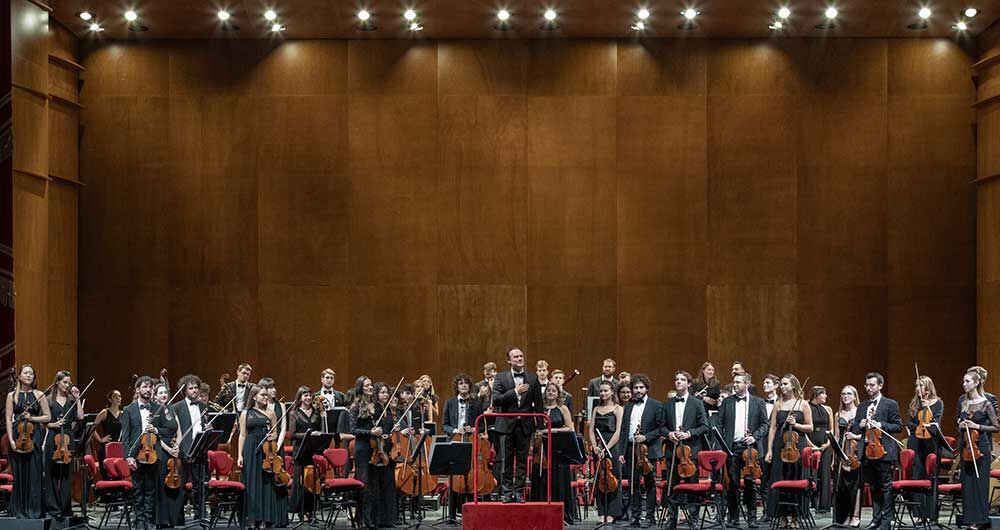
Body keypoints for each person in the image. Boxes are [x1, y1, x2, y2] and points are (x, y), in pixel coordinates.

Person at [849, 372, 902, 530]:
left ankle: (886, 522)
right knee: (873, 487)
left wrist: (880, 424)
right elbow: (856, 426)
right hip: (867, 451)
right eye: (867, 385)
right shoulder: (862, 406)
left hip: (883, 451)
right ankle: (875, 519)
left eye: (872, 385)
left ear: (880, 386)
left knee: (885, 487)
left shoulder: (890, 404)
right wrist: (862, 424)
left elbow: (897, 426)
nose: (868, 388)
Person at [492, 347, 544, 503]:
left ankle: (520, 492)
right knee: (506, 460)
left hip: (525, 425)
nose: (520, 359)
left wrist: (540, 428)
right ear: (509, 360)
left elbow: (539, 405)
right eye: (516, 357)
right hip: (506, 425)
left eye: (521, 356)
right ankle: (507, 492)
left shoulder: (533, 378)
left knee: (522, 460)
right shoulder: (500, 377)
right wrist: (515, 391)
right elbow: (496, 400)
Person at [718, 373, 768, 528]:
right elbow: (719, 424)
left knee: (750, 483)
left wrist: (754, 437)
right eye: (734, 382)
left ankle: (752, 517)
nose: (735, 384)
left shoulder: (758, 402)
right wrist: (723, 444)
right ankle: (733, 518)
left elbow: (765, 424)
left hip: (750, 449)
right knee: (732, 484)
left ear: (747, 383)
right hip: (731, 448)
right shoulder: (727, 402)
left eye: (739, 382)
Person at [764, 374, 813, 528]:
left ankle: (796, 518)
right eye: (782, 384)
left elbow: (810, 427)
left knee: (796, 479)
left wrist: (796, 424)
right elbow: (772, 428)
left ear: (793, 386)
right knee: (781, 479)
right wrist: (769, 450)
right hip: (780, 445)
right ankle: (783, 516)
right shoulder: (778, 404)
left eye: (785, 384)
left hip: (798, 446)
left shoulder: (803, 404)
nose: (782, 387)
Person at [662, 370, 710, 529]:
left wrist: (688, 433)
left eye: (682, 379)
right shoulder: (667, 403)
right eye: (676, 379)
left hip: (690, 453)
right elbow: (661, 427)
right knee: (672, 486)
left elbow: (704, 426)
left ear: (689, 384)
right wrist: (670, 434)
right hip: (672, 451)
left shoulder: (697, 403)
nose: (678, 382)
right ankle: (672, 519)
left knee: (692, 487)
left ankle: (693, 519)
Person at [349, 377, 397, 530]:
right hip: (363, 449)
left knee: (375, 485)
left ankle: (372, 519)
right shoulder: (355, 406)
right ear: (361, 388)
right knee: (365, 485)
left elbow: (382, 426)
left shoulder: (376, 406)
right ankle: (362, 519)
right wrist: (370, 431)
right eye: (367, 385)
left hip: (376, 449)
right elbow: (353, 430)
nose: (370, 387)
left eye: (371, 385)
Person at [617, 374, 663, 528]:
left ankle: (650, 517)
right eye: (635, 387)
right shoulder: (628, 406)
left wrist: (646, 437)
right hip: (630, 449)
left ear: (646, 389)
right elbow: (624, 430)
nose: (638, 390)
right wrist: (622, 452)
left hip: (647, 449)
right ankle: (635, 517)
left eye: (641, 387)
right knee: (633, 484)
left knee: (650, 483)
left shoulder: (656, 405)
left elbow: (660, 429)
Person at [6, 364, 51, 518]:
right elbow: (8, 418)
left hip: (34, 437)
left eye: (31, 373)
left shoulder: (39, 395)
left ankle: (33, 510)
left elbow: (47, 417)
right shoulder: (12, 396)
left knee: (34, 474)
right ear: (19, 376)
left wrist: (32, 418)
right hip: (18, 437)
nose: (28, 375)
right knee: (19, 475)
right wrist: (11, 439)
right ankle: (19, 509)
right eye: (25, 373)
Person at [957, 370, 999, 530]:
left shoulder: (986, 403)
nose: (964, 384)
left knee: (979, 484)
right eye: (963, 381)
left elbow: (996, 427)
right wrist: (961, 424)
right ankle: (970, 520)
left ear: (976, 383)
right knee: (967, 485)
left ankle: (980, 520)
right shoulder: (963, 402)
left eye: (967, 381)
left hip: (981, 447)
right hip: (966, 446)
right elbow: (958, 419)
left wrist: (977, 426)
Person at [238, 384, 285, 529]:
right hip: (250, 449)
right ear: (254, 397)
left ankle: (265, 518)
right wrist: (240, 455)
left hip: (266, 451)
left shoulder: (271, 413)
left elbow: (276, 433)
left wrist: (272, 435)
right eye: (263, 395)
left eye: (266, 395)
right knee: (251, 484)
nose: (266, 397)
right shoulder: (246, 413)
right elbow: (242, 435)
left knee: (265, 484)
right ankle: (252, 518)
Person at [442, 374, 485, 520]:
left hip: (471, 440)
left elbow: (482, 425)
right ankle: (452, 514)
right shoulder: (450, 402)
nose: (464, 385)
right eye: (461, 383)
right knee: (455, 475)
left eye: (466, 383)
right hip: (455, 439)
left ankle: (471, 511)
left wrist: (473, 429)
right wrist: (455, 430)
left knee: (471, 473)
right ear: (457, 387)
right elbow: (444, 425)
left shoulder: (476, 403)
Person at [44, 370, 84, 521]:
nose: (68, 385)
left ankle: (65, 507)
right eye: (65, 382)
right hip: (53, 436)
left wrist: (78, 399)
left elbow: (80, 416)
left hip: (67, 437)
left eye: (69, 382)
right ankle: (53, 508)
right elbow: (43, 423)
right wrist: (53, 424)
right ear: (57, 383)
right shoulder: (48, 400)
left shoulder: (71, 400)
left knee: (67, 474)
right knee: (51, 474)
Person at [120, 376, 159, 530]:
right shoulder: (129, 410)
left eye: (150, 387)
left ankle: (149, 521)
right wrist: (128, 456)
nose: (148, 390)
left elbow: (165, 430)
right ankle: (139, 522)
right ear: (137, 389)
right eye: (144, 387)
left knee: (150, 490)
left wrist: (156, 430)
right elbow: (126, 436)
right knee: (137, 491)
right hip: (136, 455)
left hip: (153, 454)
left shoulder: (156, 409)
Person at [170, 374, 208, 520]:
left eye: (196, 388)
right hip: (183, 450)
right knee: (180, 485)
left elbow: (203, 427)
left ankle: (200, 516)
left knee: (200, 485)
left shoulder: (204, 407)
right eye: (190, 388)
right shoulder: (176, 407)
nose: (194, 391)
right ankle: (178, 517)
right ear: (184, 390)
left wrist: (208, 427)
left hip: (200, 450)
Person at [906, 376, 942, 521]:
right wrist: (918, 425)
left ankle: (931, 514)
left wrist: (927, 407)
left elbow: (936, 422)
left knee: (930, 475)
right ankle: (920, 514)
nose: (917, 389)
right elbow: (910, 423)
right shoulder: (915, 403)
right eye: (916, 386)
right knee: (918, 474)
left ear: (928, 387)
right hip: (916, 440)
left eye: (920, 386)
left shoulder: (938, 403)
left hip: (931, 441)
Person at [589, 380, 624, 523]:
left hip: (612, 447)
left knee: (613, 479)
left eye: (605, 391)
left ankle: (613, 512)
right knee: (600, 480)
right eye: (601, 391)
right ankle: (602, 512)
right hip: (598, 447)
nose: (603, 393)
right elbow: (591, 430)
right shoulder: (596, 409)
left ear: (612, 392)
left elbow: (618, 431)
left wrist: (606, 448)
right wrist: (595, 446)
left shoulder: (618, 408)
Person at [152, 383, 185, 527]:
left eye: (165, 392)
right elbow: (154, 434)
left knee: (176, 484)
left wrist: (177, 445)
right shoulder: (155, 411)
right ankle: (163, 519)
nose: (164, 395)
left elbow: (179, 432)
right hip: (161, 449)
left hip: (174, 450)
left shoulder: (172, 410)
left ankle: (174, 518)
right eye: (160, 393)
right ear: (155, 396)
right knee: (162, 484)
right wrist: (168, 449)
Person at [259, 377, 289, 527]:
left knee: (279, 479)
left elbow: (283, 427)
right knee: (266, 482)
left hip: (277, 447)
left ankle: (280, 518)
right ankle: (266, 517)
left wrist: (277, 444)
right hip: (264, 449)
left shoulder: (281, 405)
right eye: (270, 388)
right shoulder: (260, 407)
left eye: (274, 387)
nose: (274, 390)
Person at [289, 385, 322, 520]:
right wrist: (308, 434)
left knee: (311, 481)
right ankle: (299, 510)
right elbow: (292, 434)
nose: (308, 397)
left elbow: (321, 429)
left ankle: (311, 510)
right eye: (305, 395)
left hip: (312, 451)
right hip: (300, 450)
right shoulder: (294, 413)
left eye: (309, 395)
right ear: (300, 397)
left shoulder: (316, 413)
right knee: (300, 480)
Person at [833, 385, 862, 527]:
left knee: (855, 486)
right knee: (843, 487)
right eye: (843, 393)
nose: (846, 396)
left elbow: (866, 434)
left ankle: (855, 516)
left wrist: (855, 436)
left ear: (855, 396)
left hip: (855, 453)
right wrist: (835, 456)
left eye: (849, 394)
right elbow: (837, 435)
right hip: (842, 452)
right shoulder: (838, 414)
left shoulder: (860, 412)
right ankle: (844, 516)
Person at [807, 386, 834, 514]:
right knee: (811, 474)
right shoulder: (807, 407)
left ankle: (824, 505)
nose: (826, 396)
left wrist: (828, 443)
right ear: (816, 395)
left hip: (825, 444)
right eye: (823, 394)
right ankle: (811, 503)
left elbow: (831, 430)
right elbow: (806, 429)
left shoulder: (828, 409)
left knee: (825, 474)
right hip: (811, 443)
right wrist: (811, 445)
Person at [92, 389, 123, 476]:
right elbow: (92, 429)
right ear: (110, 399)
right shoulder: (105, 412)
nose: (118, 398)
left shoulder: (123, 414)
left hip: (119, 449)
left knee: (119, 476)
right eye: (115, 397)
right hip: (106, 449)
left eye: (120, 396)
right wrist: (100, 440)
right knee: (107, 475)